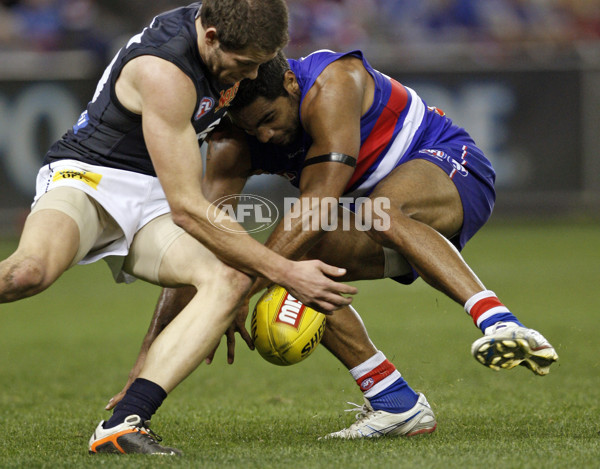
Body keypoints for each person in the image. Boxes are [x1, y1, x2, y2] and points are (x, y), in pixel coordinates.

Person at [107, 48, 559, 440]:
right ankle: (394, 401)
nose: (264, 136)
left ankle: (501, 324)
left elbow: (320, 201)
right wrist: (151, 350)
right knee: (301, 257)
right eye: (253, 128)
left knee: (362, 214)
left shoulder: (333, 82)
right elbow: (205, 235)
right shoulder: (232, 137)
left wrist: (239, 291)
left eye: (268, 119)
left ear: (289, 83)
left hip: (451, 169)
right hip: (378, 217)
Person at [0, 0, 358, 456]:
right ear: (210, 37)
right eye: (245, 65)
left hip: (156, 197)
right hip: (89, 179)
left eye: (261, 64)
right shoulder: (165, 71)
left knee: (228, 281)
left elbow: (188, 203)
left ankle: (123, 424)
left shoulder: (229, 26)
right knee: (28, 273)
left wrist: (161, 339)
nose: (252, 77)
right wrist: (285, 271)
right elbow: (191, 210)